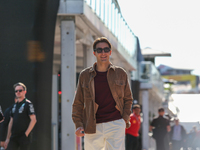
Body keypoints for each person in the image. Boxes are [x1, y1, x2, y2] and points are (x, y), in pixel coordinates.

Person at [72, 37, 133, 150]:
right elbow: (78, 102)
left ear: (110, 52)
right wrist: (78, 124)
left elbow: (128, 99)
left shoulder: (120, 73)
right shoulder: (85, 75)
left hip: (115, 123)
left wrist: (124, 119)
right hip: (92, 125)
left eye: (106, 49)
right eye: (99, 50)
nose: (103, 53)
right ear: (94, 53)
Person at [4, 82, 37, 150]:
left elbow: (33, 120)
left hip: (24, 136)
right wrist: (7, 138)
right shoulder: (14, 106)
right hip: (14, 136)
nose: (18, 92)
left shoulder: (28, 104)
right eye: (16, 91)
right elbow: (11, 121)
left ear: (25, 91)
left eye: (20, 90)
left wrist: (26, 134)